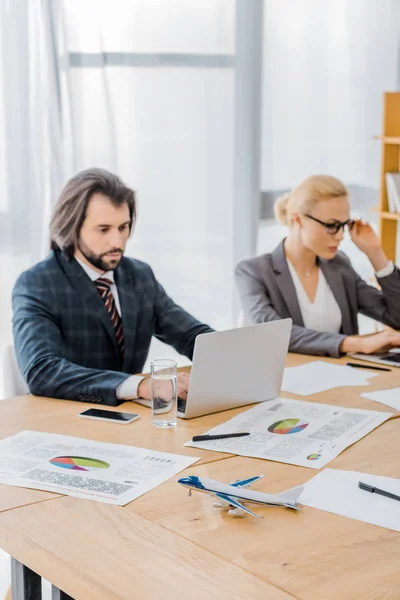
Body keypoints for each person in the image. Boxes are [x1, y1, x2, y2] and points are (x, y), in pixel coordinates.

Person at [12, 168, 213, 404]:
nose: (117, 241)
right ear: (72, 227)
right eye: (103, 229)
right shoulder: (38, 283)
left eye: (123, 227)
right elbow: (42, 370)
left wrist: (237, 357)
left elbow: (191, 336)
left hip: (129, 417)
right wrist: (140, 385)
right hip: (68, 419)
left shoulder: (139, 275)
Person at [235, 174, 400, 358]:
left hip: (342, 377)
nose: (339, 236)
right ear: (297, 220)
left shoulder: (339, 265)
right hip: (285, 381)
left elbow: (396, 318)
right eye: (331, 225)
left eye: (344, 225)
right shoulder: (252, 272)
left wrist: (376, 255)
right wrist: (355, 343)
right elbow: (273, 333)